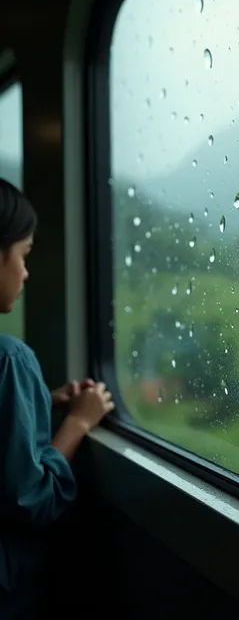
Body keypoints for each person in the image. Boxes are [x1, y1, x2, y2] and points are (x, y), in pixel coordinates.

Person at [0, 177, 114, 617]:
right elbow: (30, 497)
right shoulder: (10, 358)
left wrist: (39, 403)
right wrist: (78, 424)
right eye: (24, 255)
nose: (26, 272)